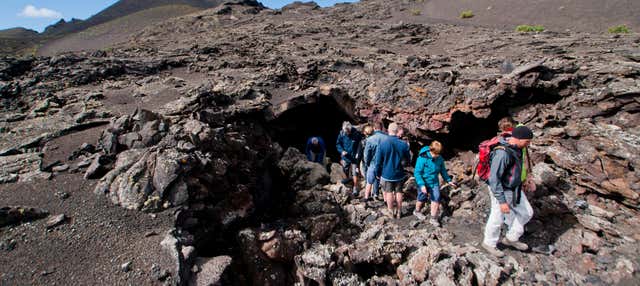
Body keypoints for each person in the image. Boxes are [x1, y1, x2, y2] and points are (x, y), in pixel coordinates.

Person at [482, 125, 535, 258]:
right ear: (518, 138)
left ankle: (511, 238)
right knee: (497, 216)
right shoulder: (502, 153)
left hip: (515, 188)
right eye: (527, 141)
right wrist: (502, 201)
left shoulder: (518, 149)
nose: (528, 144)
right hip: (501, 189)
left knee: (527, 212)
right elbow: (494, 179)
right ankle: (489, 242)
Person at [413, 141, 456, 227]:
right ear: (430, 150)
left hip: (434, 182)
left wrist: (448, 180)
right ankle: (417, 211)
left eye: (438, 154)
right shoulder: (422, 158)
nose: (436, 156)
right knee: (422, 198)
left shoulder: (439, 158)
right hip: (423, 182)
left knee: (436, 198)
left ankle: (433, 218)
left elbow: (443, 170)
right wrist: (422, 185)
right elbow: (417, 173)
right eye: (435, 154)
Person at [374, 123, 411, 219]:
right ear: (397, 131)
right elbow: (408, 159)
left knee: (389, 192)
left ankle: (391, 212)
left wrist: (377, 173)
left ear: (388, 131)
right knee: (399, 192)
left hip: (387, 173)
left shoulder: (382, 144)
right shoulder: (403, 144)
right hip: (399, 172)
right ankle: (399, 211)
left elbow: (378, 162)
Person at [336, 121, 363, 196]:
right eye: (346, 132)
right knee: (345, 169)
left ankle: (355, 187)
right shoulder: (341, 134)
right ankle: (348, 182)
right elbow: (338, 144)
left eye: (348, 131)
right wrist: (342, 151)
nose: (347, 133)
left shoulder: (356, 133)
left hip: (354, 156)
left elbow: (360, 143)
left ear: (350, 129)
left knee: (354, 172)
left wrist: (358, 153)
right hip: (345, 156)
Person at [362, 121, 387, 201]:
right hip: (384, 164)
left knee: (369, 181)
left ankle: (366, 197)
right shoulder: (387, 138)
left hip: (373, 163)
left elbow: (366, 154)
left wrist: (367, 163)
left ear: (374, 128)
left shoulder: (370, 139)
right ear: (382, 128)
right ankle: (386, 200)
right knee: (383, 183)